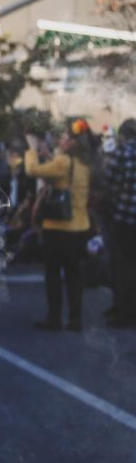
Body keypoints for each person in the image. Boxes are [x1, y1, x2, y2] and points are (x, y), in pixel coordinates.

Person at [25, 120, 94, 332]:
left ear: (73, 142)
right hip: (80, 226)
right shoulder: (86, 163)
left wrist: (32, 149)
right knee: (74, 276)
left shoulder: (64, 162)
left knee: (53, 275)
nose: (62, 140)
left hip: (57, 227)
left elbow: (32, 170)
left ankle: (54, 319)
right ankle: (75, 320)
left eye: (66, 137)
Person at [103, 118, 136, 328]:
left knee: (124, 266)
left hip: (125, 220)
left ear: (124, 135)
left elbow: (108, 182)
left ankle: (125, 313)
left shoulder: (122, 153)